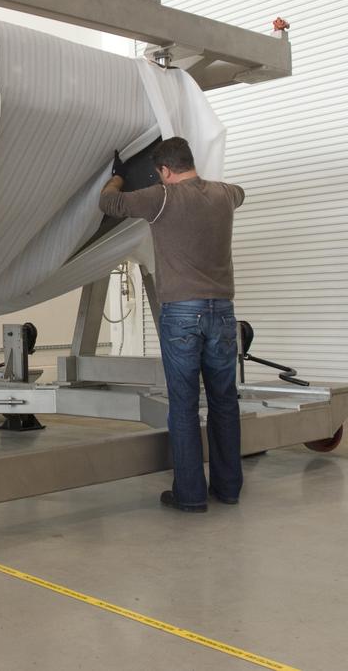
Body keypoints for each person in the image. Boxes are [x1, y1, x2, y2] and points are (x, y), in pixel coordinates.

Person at [98, 137, 245, 512]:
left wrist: (117, 177)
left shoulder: (160, 197)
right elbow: (240, 192)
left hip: (182, 314)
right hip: (222, 312)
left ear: (164, 171)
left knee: (183, 405)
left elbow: (108, 203)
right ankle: (228, 489)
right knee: (224, 402)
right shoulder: (224, 194)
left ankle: (191, 495)